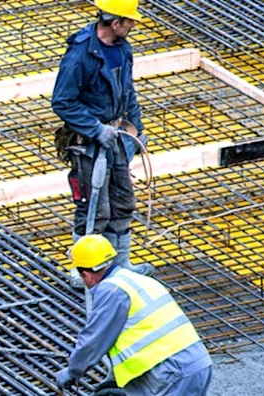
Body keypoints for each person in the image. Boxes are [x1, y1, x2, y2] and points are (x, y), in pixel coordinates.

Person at [50, 0, 155, 288]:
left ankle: (121, 264)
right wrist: (95, 129)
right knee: (93, 207)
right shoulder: (80, 56)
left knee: (122, 201)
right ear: (114, 22)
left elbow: (128, 92)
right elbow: (63, 101)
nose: (133, 25)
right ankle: (82, 269)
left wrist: (136, 131)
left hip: (117, 137)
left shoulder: (123, 49)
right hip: (89, 143)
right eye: (129, 21)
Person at [55, 235, 213, 395]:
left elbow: (94, 340)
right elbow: (136, 333)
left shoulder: (111, 290)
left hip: (172, 370)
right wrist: (113, 378)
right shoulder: (138, 280)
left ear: (87, 275)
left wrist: (72, 372)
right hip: (196, 363)